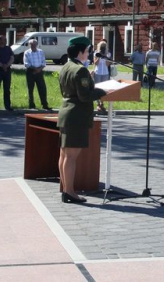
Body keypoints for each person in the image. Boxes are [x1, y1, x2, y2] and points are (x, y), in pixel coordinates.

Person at [58, 36, 107, 204]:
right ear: (80, 52)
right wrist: (103, 91)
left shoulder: (65, 67)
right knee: (70, 156)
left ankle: (66, 189)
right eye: (87, 51)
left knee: (64, 154)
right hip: (76, 116)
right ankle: (70, 192)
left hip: (66, 112)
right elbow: (85, 96)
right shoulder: (80, 70)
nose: (88, 54)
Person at [24, 38, 51, 110]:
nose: (33, 46)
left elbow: (44, 62)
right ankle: (31, 105)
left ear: (36, 44)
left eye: (34, 44)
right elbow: (26, 64)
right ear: (29, 45)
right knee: (30, 89)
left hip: (39, 72)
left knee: (42, 88)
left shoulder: (41, 51)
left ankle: (45, 105)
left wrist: (39, 69)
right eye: (31, 44)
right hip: (30, 72)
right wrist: (35, 69)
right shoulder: (27, 52)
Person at [92, 41, 111, 114]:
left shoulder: (108, 54)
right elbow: (95, 63)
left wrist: (105, 56)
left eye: (104, 46)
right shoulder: (96, 53)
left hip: (105, 73)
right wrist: (99, 56)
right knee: (97, 88)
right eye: (102, 46)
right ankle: (98, 104)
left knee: (103, 89)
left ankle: (102, 104)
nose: (103, 48)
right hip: (98, 72)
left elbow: (107, 64)